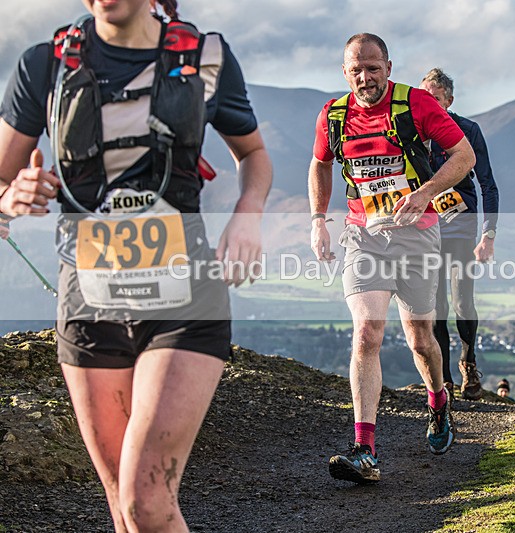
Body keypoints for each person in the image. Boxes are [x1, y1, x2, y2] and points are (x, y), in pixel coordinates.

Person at [0, 1, 272, 531]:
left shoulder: (204, 57)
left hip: (185, 299)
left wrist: (247, 217)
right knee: (124, 508)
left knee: (146, 499)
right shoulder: (46, 64)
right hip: (89, 301)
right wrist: (12, 195)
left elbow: (254, 155)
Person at [309, 33, 475, 484]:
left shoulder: (417, 104)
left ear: (388, 65)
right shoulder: (334, 115)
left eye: (373, 67)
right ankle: (365, 449)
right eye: (356, 69)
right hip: (363, 236)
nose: (365, 77)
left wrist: (424, 193)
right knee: (366, 334)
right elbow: (320, 163)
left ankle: (438, 399)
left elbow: (465, 155)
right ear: (346, 72)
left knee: (421, 338)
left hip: (417, 237)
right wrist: (317, 219)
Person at [420, 68, 499, 401]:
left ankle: (469, 362)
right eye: (424, 98)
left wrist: (488, 235)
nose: (429, 105)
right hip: (426, 227)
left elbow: (488, 185)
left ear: (449, 101)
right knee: (434, 304)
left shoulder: (468, 130)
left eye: (435, 99)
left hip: (462, 223)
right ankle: (445, 379)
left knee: (462, 299)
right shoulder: (410, 132)